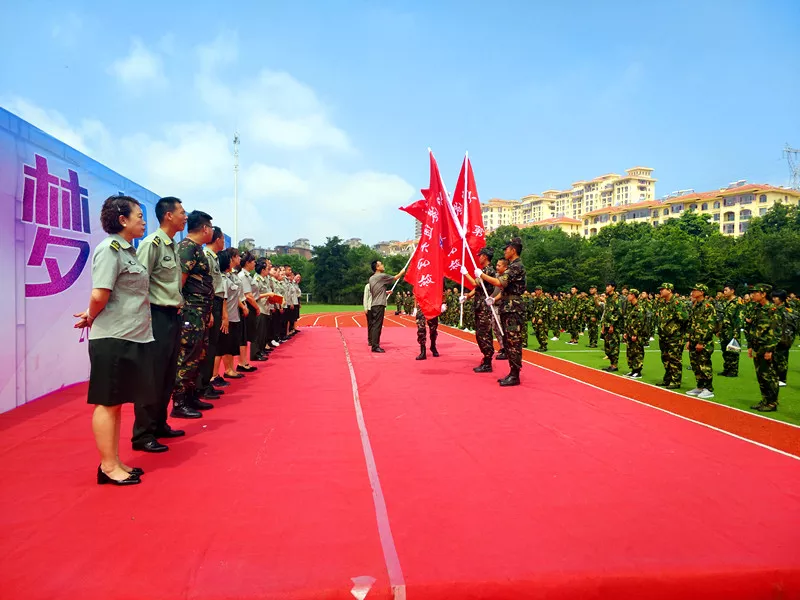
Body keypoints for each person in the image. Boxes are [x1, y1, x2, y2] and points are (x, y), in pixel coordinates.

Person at [74, 195, 152, 485]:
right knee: (107, 402)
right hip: (113, 337)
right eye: (139, 216)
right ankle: (108, 466)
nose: (143, 221)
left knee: (117, 402)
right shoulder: (109, 250)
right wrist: (91, 315)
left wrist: (91, 312)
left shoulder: (129, 252)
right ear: (122, 220)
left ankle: (115, 460)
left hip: (128, 334)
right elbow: (100, 294)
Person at [131, 196, 189, 454]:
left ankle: (159, 423)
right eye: (181, 212)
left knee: (167, 374)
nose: (184, 217)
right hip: (155, 316)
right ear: (168, 216)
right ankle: (143, 434)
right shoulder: (151, 245)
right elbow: (138, 283)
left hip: (172, 316)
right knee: (151, 376)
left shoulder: (174, 246)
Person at [173, 210, 216, 418]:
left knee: (198, 355)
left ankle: (191, 396)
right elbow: (179, 283)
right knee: (187, 356)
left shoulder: (197, 249)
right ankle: (179, 403)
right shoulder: (187, 249)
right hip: (191, 312)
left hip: (201, 311)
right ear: (206, 229)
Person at [474, 237, 527, 387]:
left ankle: (515, 374)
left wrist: (482, 275)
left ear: (513, 250)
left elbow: (500, 282)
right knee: (509, 341)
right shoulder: (512, 266)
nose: (505, 251)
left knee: (513, 341)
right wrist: (494, 298)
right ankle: (512, 372)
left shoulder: (517, 266)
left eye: (507, 248)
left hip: (513, 309)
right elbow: (504, 290)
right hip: (507, 306)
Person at [198, 226, 229, 397]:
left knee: (212, 346)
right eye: (223, 238)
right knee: (207, 347)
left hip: (216, 302)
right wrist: (209, 310)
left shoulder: (213, 258)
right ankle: (202, 385)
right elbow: (208, 286)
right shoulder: (207, 257)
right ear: (217, 239)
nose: (223, 241)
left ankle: (206, 383)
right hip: (210, 303)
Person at [462, 247, 499, 371]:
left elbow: (474, 283)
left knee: (484, 334)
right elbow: (477, 288)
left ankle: (487, 361)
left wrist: (465, 273)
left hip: (484, 307)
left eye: (480, 255)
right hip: (479, 306)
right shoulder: (483, 270)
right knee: (480, 334)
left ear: (485, 256)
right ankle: (486, 358)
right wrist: (467, 296)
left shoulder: (488, 270)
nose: (479, 258)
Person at [748, 283, 782, 411]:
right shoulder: (757, 308)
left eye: (756, 292)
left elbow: (776, 332)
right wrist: (751, 346)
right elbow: (753, 328)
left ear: (763, 294)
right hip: (758, 347)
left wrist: (770, 350)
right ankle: (765, 400)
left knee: (770, 376)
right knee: (761, 375)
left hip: (767, 347)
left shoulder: (772, 310)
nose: (753, 295)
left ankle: (772, 403)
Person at [368, 260, 406, 353]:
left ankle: (373, 343)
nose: (383, 265)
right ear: (377, 267)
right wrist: (402, 272)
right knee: (377, 325)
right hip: (379, 304)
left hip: (374, 304)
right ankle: (375, 346)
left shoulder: (372, 278)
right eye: (381, 264)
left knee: (374, 325)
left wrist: (385, 292)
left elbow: (376, 290)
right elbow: (396, 277)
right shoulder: (381, 276)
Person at [655, 283, 688, 389]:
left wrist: (676, 330)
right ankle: (668, 378)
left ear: (669, 290)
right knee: (665, 358)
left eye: (663, 289)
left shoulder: (677, 303)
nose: (660, 291)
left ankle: (676, 380)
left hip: (675, 336)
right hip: (664, 336)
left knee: (674, 358)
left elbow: (684, 318)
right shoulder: (662, 303)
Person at [686, 284, 716, 399]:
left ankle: (708, 388)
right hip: (694, 340)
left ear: (702, 292)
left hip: (703, 341)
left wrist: (702, 342)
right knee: (695, 364)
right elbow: (692, 324)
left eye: (695, 290)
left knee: (704, 365)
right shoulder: (695, 306)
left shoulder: (708, 306)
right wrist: (689, 340)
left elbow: (710, 326)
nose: (693, 292)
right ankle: (700, 386)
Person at [772, 289, 798, 387]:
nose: (774, 299)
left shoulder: (786, 311)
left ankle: (782, 379)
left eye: (776, 297)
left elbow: (790, 326)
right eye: (773, 297)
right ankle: (775, 377)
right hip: (774, 338)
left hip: (783, 339)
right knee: (774, 359)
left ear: (782, 299)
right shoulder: (774, 309)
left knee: (782, 359)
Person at [718, 284, 742, 377]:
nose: (724, 292)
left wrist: (736, 332)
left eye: (726, 290)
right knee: (724, 350)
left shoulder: (737, 302)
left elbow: (739, 318)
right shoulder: (724, 302)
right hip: (724, 330)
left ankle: (733, 370)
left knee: (733, 351)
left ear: (732, 291)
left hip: (732, 329)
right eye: (724, 290)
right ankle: (726, 369)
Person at [623, 288, 645, 378]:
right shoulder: (631, 307)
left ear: (633, 295)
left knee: (637, 351)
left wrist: (635, 333)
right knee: (630, 351)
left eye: (629, 294)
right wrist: (626, 332)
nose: (628, 296)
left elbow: (640, 322)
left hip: (636, 334)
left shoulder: (639, 307)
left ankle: (637, 370)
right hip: (629, 333)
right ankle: (633, 369)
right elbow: (628, 321)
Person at [600, 282, 622, 372]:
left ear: (613, 287)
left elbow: (618, 312)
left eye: (608, 286)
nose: (606, 287)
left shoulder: (616, 298)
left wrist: (612, 324)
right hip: (606, 325)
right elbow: (606, 312)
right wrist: (603, 325)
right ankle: (611, 364)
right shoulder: (608, 298)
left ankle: (614, 365)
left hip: (613, 326)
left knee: (614, 345)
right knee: (607, 346)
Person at [414, 295, 439, 360]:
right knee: (421, 329)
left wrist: (443, 303)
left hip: (432, 305)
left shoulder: (435, 284)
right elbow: (416, 294)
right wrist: (415, 307)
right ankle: (423, 351)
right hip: (421, 305)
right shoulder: (418, 284)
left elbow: (441, 291)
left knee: (433, 328)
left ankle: (433, 346)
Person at [363, 281, 373, 345]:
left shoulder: (380, 285)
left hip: (377, 308)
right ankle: (370, 340)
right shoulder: (368, 286)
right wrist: (365, 308)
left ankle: (375, 340)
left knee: (376, 326)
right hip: (370, 307)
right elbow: (365, 297)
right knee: (370, 325)